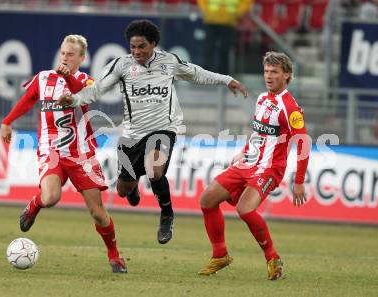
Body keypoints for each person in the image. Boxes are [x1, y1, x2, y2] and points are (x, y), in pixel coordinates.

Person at [56, 19, 248, 245]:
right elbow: (97, 90)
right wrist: (74, 99)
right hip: (132, 134)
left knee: (155, 169)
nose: (137, 51)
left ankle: (167, 215)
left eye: (142, 47)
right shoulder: (121, 65)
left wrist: (226, 80)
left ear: (153, 44)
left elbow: (196, 73)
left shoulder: (169, 62)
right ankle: (133, 184)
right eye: (133, 47)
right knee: (123, 190)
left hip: (163, 129)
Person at [0, 35, 127, 273]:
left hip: (81, 154)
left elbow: (83, 94)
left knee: (98, 213)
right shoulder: (43, 78)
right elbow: (27, 100)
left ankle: (115, 256)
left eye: (71, 54)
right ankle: (33, 206)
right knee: (50, 198)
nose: (65, 58)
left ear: (82, 58)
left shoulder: (85, 81)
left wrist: (67, 78)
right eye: (63, 53)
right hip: (51, 149)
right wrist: (7, 121)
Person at [198, 51, 310, 280]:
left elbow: (303, 144)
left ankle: (272, 258)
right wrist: (244, 151)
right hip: (249, 162)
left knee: (245, 209)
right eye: (266, 71)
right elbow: (259, 132)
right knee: (207, 199)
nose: (269, 76)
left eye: (275, 72)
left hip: (270, 168)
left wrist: (299, 181)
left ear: (287, 75)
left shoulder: (290, 108)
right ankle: (220, 254)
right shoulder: (261, 98)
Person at [198, 0, 253, 74]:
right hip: (212, 20)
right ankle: (206, 73)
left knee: (225, 49)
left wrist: (239, 12)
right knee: (209, 48)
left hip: (228, 21)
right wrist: (204, 9)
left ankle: (222, 74)